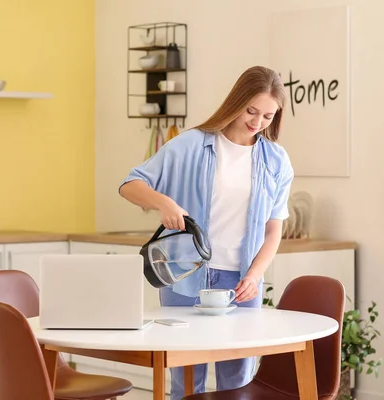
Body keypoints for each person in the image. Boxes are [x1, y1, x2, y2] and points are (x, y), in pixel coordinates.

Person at [118, 65, 294, 399]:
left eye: (268, 117)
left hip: (242, 282)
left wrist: (256, 275)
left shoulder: (276, 161)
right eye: (251, 111)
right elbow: (130, 185)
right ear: (235, 102)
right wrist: (163, 203)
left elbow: (274, 231)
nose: (257, 123)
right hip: (185, 277)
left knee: (238, 382)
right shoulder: (191, 144)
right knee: (184, 383)